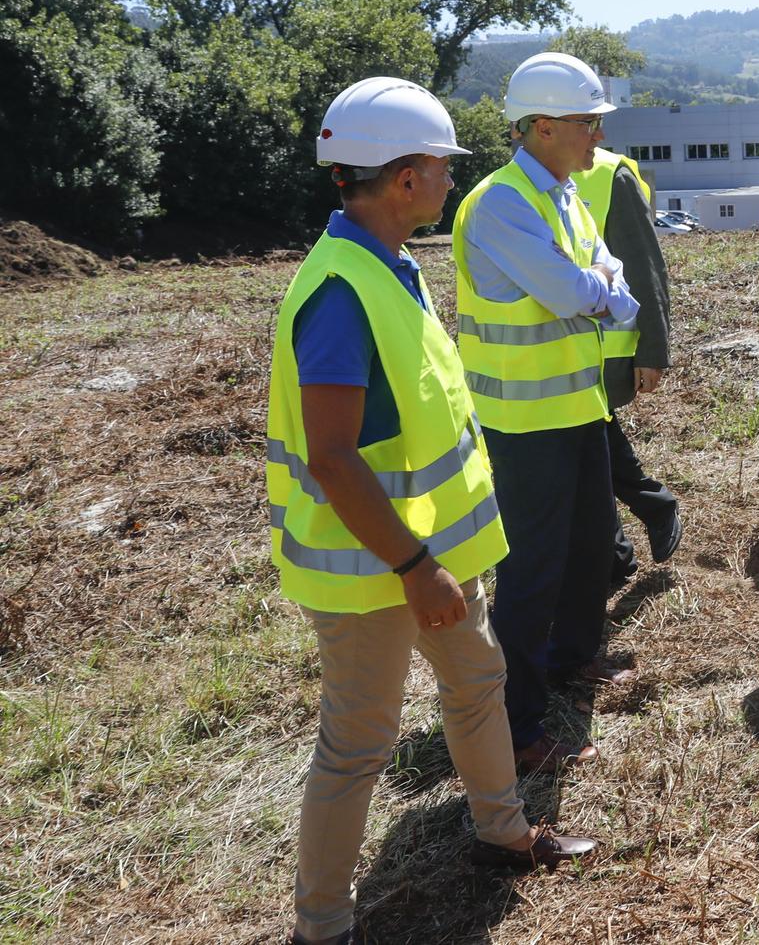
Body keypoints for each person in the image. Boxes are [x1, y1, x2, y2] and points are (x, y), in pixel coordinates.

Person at [272, 78, 594, 945]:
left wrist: (437, 563)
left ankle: (504, 832)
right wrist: (415, 569)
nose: (452, 180)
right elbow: (332, 456)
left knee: (477, 683)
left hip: (434, 560)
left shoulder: (392, 263)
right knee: (357, 748)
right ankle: (322, 927)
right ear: (405, 178)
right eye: (442, 166)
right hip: (377, 570)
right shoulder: (341, 292)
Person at [453, 52, 639, 773]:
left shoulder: (565, 192)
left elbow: (607, 271)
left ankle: (572, 658)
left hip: (576, 404)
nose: (597, 135)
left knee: (591, 542)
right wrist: (596, 285)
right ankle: (517, 724)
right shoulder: (499, 201)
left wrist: (597, 284)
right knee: (530, 573)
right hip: (524, 421)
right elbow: (575, 291)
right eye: (588, 123)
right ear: (540, 127)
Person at [573, 145, 683, 581]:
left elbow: (645, 266)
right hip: (556, 355)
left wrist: (652, 350)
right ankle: (625, 544)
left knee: (586, 443)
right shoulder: (516, 183)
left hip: (600, 353)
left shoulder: (608, 176)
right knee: (587, 447)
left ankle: (641, 521)